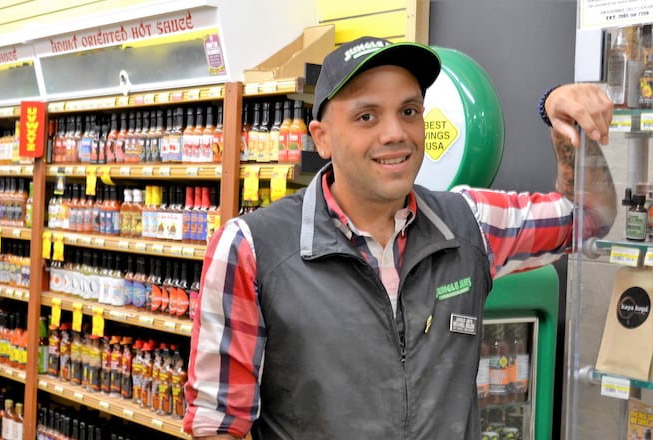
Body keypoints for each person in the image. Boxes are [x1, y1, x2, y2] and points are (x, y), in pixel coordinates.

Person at [183, 36, 617, 440]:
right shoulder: (251, 249)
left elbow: (590, 218)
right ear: (323, 138)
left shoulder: (469, 224)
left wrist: (567, 126)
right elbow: (217, 425)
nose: (395, 133)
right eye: (366, 116)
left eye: (409, 111)